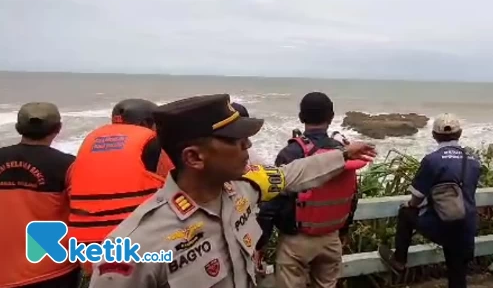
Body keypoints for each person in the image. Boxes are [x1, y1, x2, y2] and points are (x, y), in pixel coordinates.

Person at [87, 93, 376, 288]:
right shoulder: (132, 247)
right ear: (194, 157)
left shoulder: (243, 190)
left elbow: (291, 175)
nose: (247, 146)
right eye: (234, 140)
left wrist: (343, 154)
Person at [256, 91, 361, 288]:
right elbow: (352, 196)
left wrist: (260, 243)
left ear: (301, 117)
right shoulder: (344, 153)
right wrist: (344, 231)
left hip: (296, 241)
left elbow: (272, 203)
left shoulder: (291, 153)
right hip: (331, 238)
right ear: (331, 117)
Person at [378, 113, 481, 288]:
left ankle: (399, 260)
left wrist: (411, 206)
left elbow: (417, 197)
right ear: (460, 133)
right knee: (458, 276)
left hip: (440, 225)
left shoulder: (432, 160)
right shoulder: (473, 161)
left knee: (406, 213)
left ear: (434, 135)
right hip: (466, 226)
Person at [67, 99, 175, 248]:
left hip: (82, 244)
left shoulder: (90, 140)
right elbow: (178, 181)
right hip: (133, 240)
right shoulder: (151, 141)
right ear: (145, 123)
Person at [0, 102, 80, 288]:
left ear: (18, 127)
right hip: (51, 270)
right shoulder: (69, 165)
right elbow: (83, 213)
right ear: (58, 128)